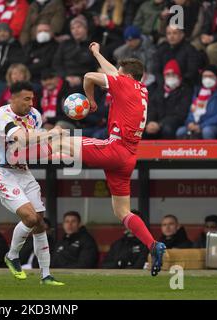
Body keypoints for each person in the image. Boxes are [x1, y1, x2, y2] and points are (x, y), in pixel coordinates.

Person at [52, 42, 167, 276]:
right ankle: (153, 245)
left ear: (126, 76)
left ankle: (13, 152)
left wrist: (90, 100)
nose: (115, 74)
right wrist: (96, 53)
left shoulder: (123, 83)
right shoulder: (141, 88)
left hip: (113, 148)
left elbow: (88, 77)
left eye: (119, 73)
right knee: (122, 212)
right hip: (128, 157)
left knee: (60, 136)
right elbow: (112, 72)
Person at [0, 81, 64, 285]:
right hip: (2, 172)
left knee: (39, 222)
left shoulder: (35, 116)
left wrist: (56, 145)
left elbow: (32, 144)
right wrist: (52, 133)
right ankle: (12, 256)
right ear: (12, 98)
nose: (31, 103)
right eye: (26, 99)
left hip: (23, 171)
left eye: (32, 99)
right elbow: (22, 139)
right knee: (30, 218)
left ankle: (46, 275)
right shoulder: (2, 116)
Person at [144, 59, 192, 139]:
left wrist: (160, 124)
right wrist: (150, 122)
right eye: (168, 74)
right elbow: (151, 108)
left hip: (174, 123)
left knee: (167, 129)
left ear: (179, 76)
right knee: (141, 131)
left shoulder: (185, 91)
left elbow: (180, 113)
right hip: (156, 123)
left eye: (173, 74)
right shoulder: (159, 90)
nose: (170, 77)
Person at [176, 65, 217, 139]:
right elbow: (191, 111)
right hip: (196, 124)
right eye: (205, 76)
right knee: (180, 131)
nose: (207, 79)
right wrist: (190, 123)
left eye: (210, 76)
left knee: (207, 131)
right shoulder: (198, 93)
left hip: (212, 125)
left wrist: (201, 126)